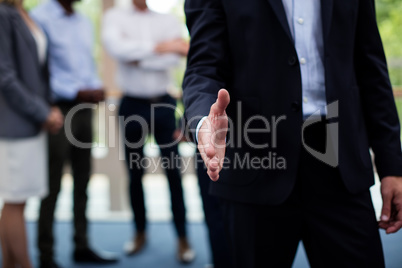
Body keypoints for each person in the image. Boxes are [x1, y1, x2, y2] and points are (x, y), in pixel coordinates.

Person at [183, 0, 402, 267]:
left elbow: (371, 68)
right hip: (256, 163)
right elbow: (203, 66)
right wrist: (204, 119)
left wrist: (392, 166)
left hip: (340, 163)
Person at [102, 0, 195, 263]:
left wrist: (138, 55)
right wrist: (162, 48)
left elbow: (179, 53)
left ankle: (183, 238)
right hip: (131, 104)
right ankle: (139, 233)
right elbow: (117, 50)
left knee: (173, 172)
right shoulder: (115, 17)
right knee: (135, 172)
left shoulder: (167, 20)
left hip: (165, 104)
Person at [30, 1, 118, 267]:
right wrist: (73, 91)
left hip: (84, 110)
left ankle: (82, 244)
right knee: (52, 183)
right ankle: (46, 255)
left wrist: (95, 86)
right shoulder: (39, 16)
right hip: (58, 109)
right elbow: (39, 70)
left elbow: (85, 65)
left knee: (83, 180)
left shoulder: (83, 21)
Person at [0, 0, 64, 267]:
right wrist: (42, 112)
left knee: (18, 200)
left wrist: (49, 106)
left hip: (32, 122)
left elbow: (37, 72)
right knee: (15, 200)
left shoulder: (24, 13)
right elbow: (4, 76)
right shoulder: (3, 14)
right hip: (15, 124)